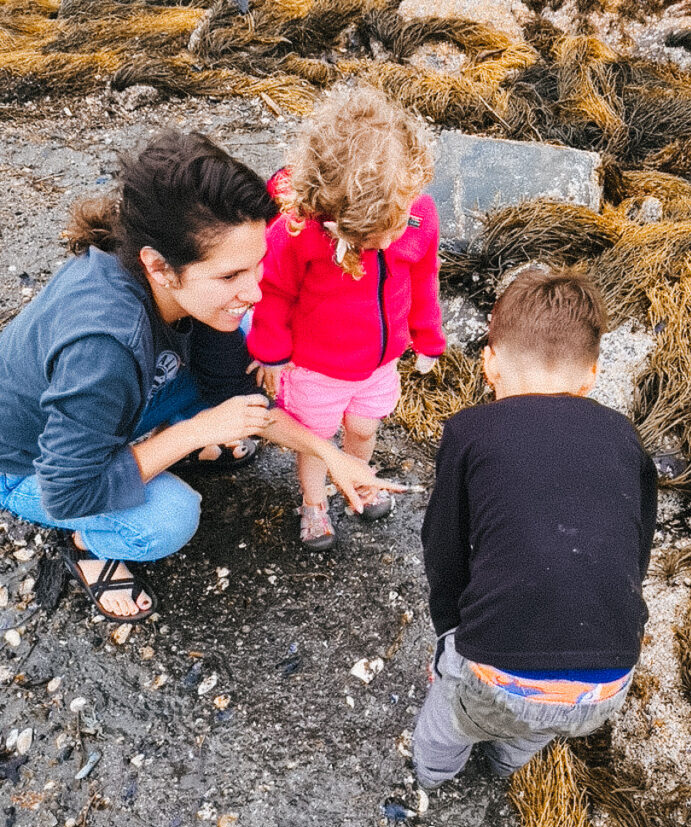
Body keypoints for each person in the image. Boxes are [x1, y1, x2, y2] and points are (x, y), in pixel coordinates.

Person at [0, 131, 397, 623]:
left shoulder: (187, 294)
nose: (254, 289)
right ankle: (91, 544)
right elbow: (69, 490)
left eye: (257, 266)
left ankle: (158, 440)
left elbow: (238, 397)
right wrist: (196, 432)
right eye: (231, 275)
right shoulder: (102, 349)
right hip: (33, 468)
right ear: (159, 266)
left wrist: (330, 455)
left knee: (246, 327)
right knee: (168, 518)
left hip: (116, 402)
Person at [412, 269, 657, 790]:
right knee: (533, 730)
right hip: (608, 680)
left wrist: (449, 633)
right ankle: (504, 766)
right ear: (591, 376)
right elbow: (637, 547)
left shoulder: (469, 431)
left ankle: (432, 777)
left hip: (497, 672)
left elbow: (444, 547)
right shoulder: (623, 436)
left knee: (448, 725)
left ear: (489, 362)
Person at [246, 86, 446, 551]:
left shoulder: (417, 214)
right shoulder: (298, 232)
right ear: (337, 214)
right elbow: (273, 292)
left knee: (363, 428)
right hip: (315, 365)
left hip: (380, 363)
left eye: (398, 223)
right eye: (378, 233)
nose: (393, 239)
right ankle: (314, 502)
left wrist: (428, 337)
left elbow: (425, 278)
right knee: (317, 438)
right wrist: (271, 354)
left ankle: (361, 480)